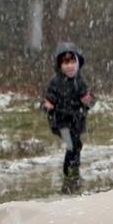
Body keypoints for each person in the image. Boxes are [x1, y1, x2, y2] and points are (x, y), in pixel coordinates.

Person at [41, 43, 93, 182]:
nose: (69, 66)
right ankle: (68, 171)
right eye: (66, 63)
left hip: (76, 120)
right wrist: (47, 105)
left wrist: (87, 100)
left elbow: (87, 98)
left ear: (78, 63)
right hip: (60, 121)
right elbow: (49, 98)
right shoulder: (56, 82)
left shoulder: (80, 82)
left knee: (77, 145)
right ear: (60, 65)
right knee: (71, 144)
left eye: (72, 62)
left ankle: (74, 170)